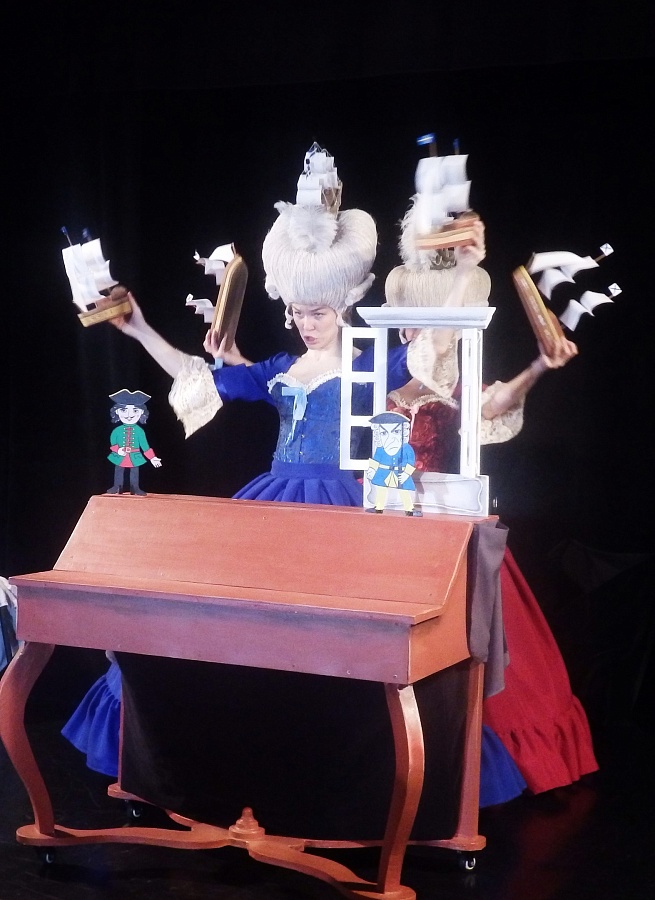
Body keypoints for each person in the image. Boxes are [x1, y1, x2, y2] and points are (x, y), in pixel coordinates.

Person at [384, 198, 599, 804]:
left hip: (445, 531)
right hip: (388, 527)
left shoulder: (454, 381)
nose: (436, 335)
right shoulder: (381, 378)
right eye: (422, 325)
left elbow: (494, 402)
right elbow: (425, 357)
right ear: (404, 327)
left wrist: (538, 366)